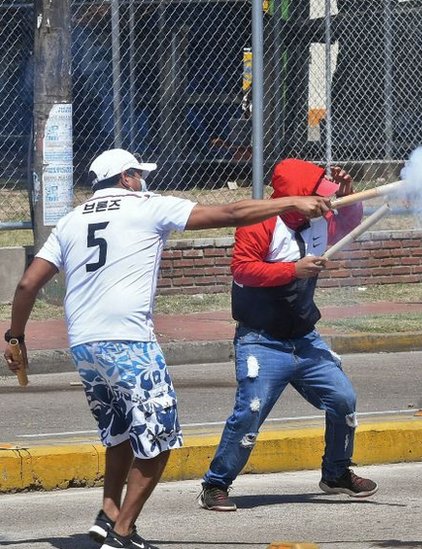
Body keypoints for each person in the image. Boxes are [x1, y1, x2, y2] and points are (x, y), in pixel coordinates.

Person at [3, 149, 333, 549]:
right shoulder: (147, 206)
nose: (144, 180)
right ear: (126, 177)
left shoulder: (71, 220)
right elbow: (229, 213)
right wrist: (291, 201)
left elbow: (26, 285)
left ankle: (108, 513)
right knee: (160, 437)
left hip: (86, 346)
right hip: (129, 341)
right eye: (139, 174)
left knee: (120, 432)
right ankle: (123, 533)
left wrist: (15, 337)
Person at [197, 158, 375, 512]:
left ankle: (336, 473)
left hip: (305, 337)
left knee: (343, 399)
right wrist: (293, 270)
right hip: (261, 339)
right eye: (317, 196)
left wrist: (349, 195)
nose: (323, 203)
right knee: (250, 411)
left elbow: (348, 226)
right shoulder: (260, 222)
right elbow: (243, 270)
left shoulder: (318, 221)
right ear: (295, 196)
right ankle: (215, 484)